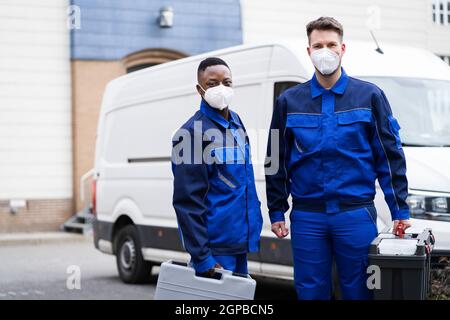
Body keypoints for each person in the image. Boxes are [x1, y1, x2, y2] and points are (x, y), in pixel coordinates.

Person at [265, 17, 411, 299]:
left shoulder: (369, 96)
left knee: (360, 292)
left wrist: (400, 210)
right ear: (308, 51)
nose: (325, 51)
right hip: (308, 217)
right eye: (318, 45)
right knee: (310, 292)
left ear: (343, 48)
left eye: (331, 45)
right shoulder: (288, 101)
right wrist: (276, 209)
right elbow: (275, 158)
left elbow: (390, 156)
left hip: (355, 214)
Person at [171, 57, 263, 277]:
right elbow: (187, 203)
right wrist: (203, 258)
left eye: (227, 82)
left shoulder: (237, 123)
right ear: (199, 89)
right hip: (215, 251)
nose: (221, 88)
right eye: (212, 84)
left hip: (240, 244)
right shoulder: (191, 135)